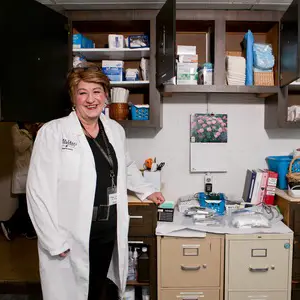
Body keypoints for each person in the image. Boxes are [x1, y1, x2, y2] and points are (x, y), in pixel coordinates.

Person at [26, 63, 165, 300]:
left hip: (106, 228)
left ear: (106, 96)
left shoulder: (114, 130)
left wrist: (146, 190)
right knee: (71, 291)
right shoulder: (53, 132)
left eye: (97, 91)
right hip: (70, 232)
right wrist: (53, 240)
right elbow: (37, 191)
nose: (91, 99)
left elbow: (127, 165)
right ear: (73, 98)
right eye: (83, 92)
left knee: (98, 287)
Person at [0, 122, 38, 240]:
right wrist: (31, 134)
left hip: (33, 171)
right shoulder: (16, 128)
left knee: (27, 203)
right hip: (22, 172)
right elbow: (19, 148)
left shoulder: (37, 126)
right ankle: (8, 224)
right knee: (27, 204)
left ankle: (26, 230)